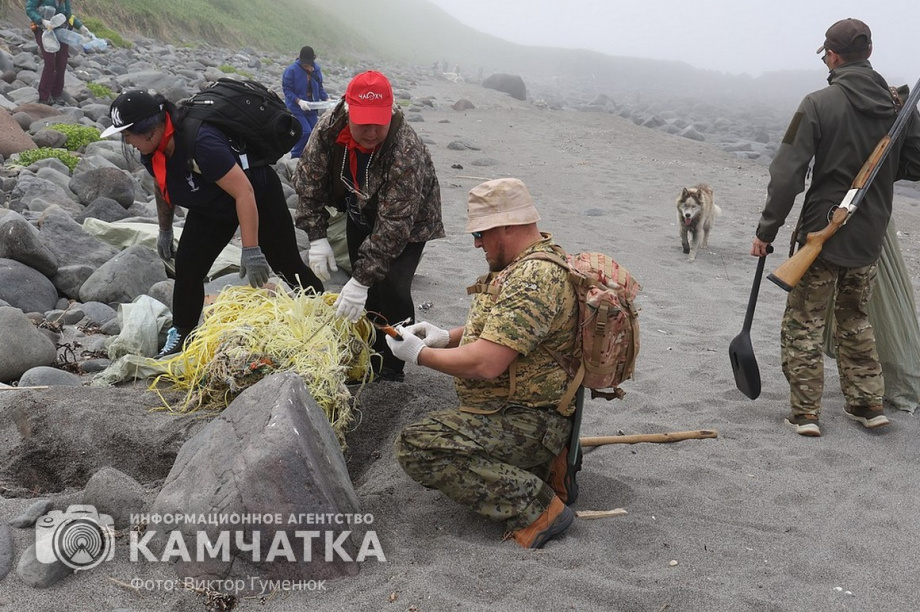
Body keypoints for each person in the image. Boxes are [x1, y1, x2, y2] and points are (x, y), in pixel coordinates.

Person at [384, 178, 580, 548]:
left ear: (507, 225)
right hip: (524, 411)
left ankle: (537, 508)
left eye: (480, 233)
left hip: (527, 419)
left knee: (417, 446)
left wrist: (420, 355)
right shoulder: (535, 261)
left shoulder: (533, 279)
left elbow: (487, 364)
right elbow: (505, 329)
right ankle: (549, 465)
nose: (476, 243)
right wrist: (446, 337)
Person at [751, 18, 920, 437]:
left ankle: (806, 414)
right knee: (855, 318)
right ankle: (868, 405)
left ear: (832, 56)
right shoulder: (898, 106)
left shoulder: (817, 102)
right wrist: (880, 175)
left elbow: (787, 175)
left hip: (819, 234)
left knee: (803, 323)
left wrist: (767, 230)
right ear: (869, 53)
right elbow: (916, 164)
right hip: (871, 235)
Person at [100, 90, 324, 357]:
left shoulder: (201, 142)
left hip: (258, 195)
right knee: (188, 267)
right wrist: (165, 230)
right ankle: (182, 332)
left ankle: (321, 307)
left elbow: (244, 193)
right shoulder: (153, 151)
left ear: (148, 130)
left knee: (285, 263)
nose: (127, 142)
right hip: (211, 205)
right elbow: (163, 186)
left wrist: (251, 250)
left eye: (127, 135)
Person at [293, 70, 444, 382]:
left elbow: (394, 225)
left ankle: (393, 365)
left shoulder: (405, 148)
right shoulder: (329, 129)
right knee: (366, 290)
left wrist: (361, 281)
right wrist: (317, 237)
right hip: (360, 209)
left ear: (390, 113)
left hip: (408, 222)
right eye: (363, 123)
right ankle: (369, 354)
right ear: (349, 111)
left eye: (379, 122)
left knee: (392, 288)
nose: (372, 132)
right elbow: (308, 182)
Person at [25, 0, 92, 105]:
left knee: (61, 63)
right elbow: (29, 9)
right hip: (43, 31)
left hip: (61, 31)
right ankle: (44, 96)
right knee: (50, 63)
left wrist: (81, 27)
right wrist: (42, 20)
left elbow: (68, 15)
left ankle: (56, 94)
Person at [282, 46, 329, 158]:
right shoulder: (292, 70)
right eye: (304, 65)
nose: (307, 66)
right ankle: (295, 156)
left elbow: (320, 87)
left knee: (315, 131)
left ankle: (308, 155)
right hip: (295, 107)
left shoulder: (316, 69)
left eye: (308, 64)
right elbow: (287, 90)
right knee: (305, 131)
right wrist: (299, 101)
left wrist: (327, 99)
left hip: (311, 106)